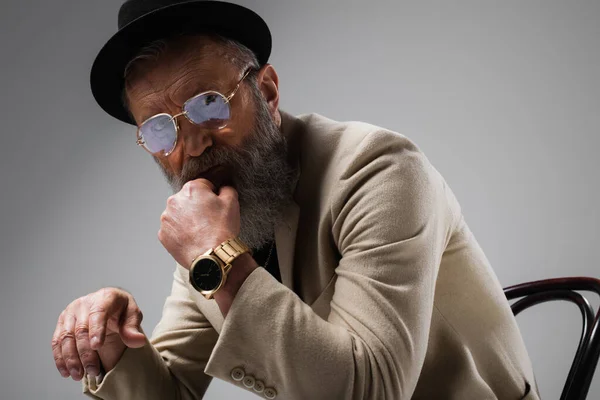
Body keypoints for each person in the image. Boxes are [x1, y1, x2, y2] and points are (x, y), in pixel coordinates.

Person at [51, 1, 539, 399]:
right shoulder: (211, 230)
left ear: (266, 91)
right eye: (159, 129)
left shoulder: (379, 169)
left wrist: (217, 260)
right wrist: (115, 346)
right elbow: (174, 388)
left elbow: (374, 391)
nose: (193, 145)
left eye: (208, 104)